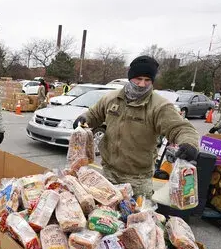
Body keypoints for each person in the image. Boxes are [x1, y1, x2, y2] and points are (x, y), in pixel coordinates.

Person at [73, 55, 199, 196]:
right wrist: (84, 119)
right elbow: (95, 114)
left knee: (137, 216)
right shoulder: (112, 98)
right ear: (130, 77)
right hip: (108, 172)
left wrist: (189, 143)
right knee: (104, 215)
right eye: (138, 79)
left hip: (138, 179)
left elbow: (181, 128)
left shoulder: (159, 105)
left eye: (147, 80)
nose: (142, 84)